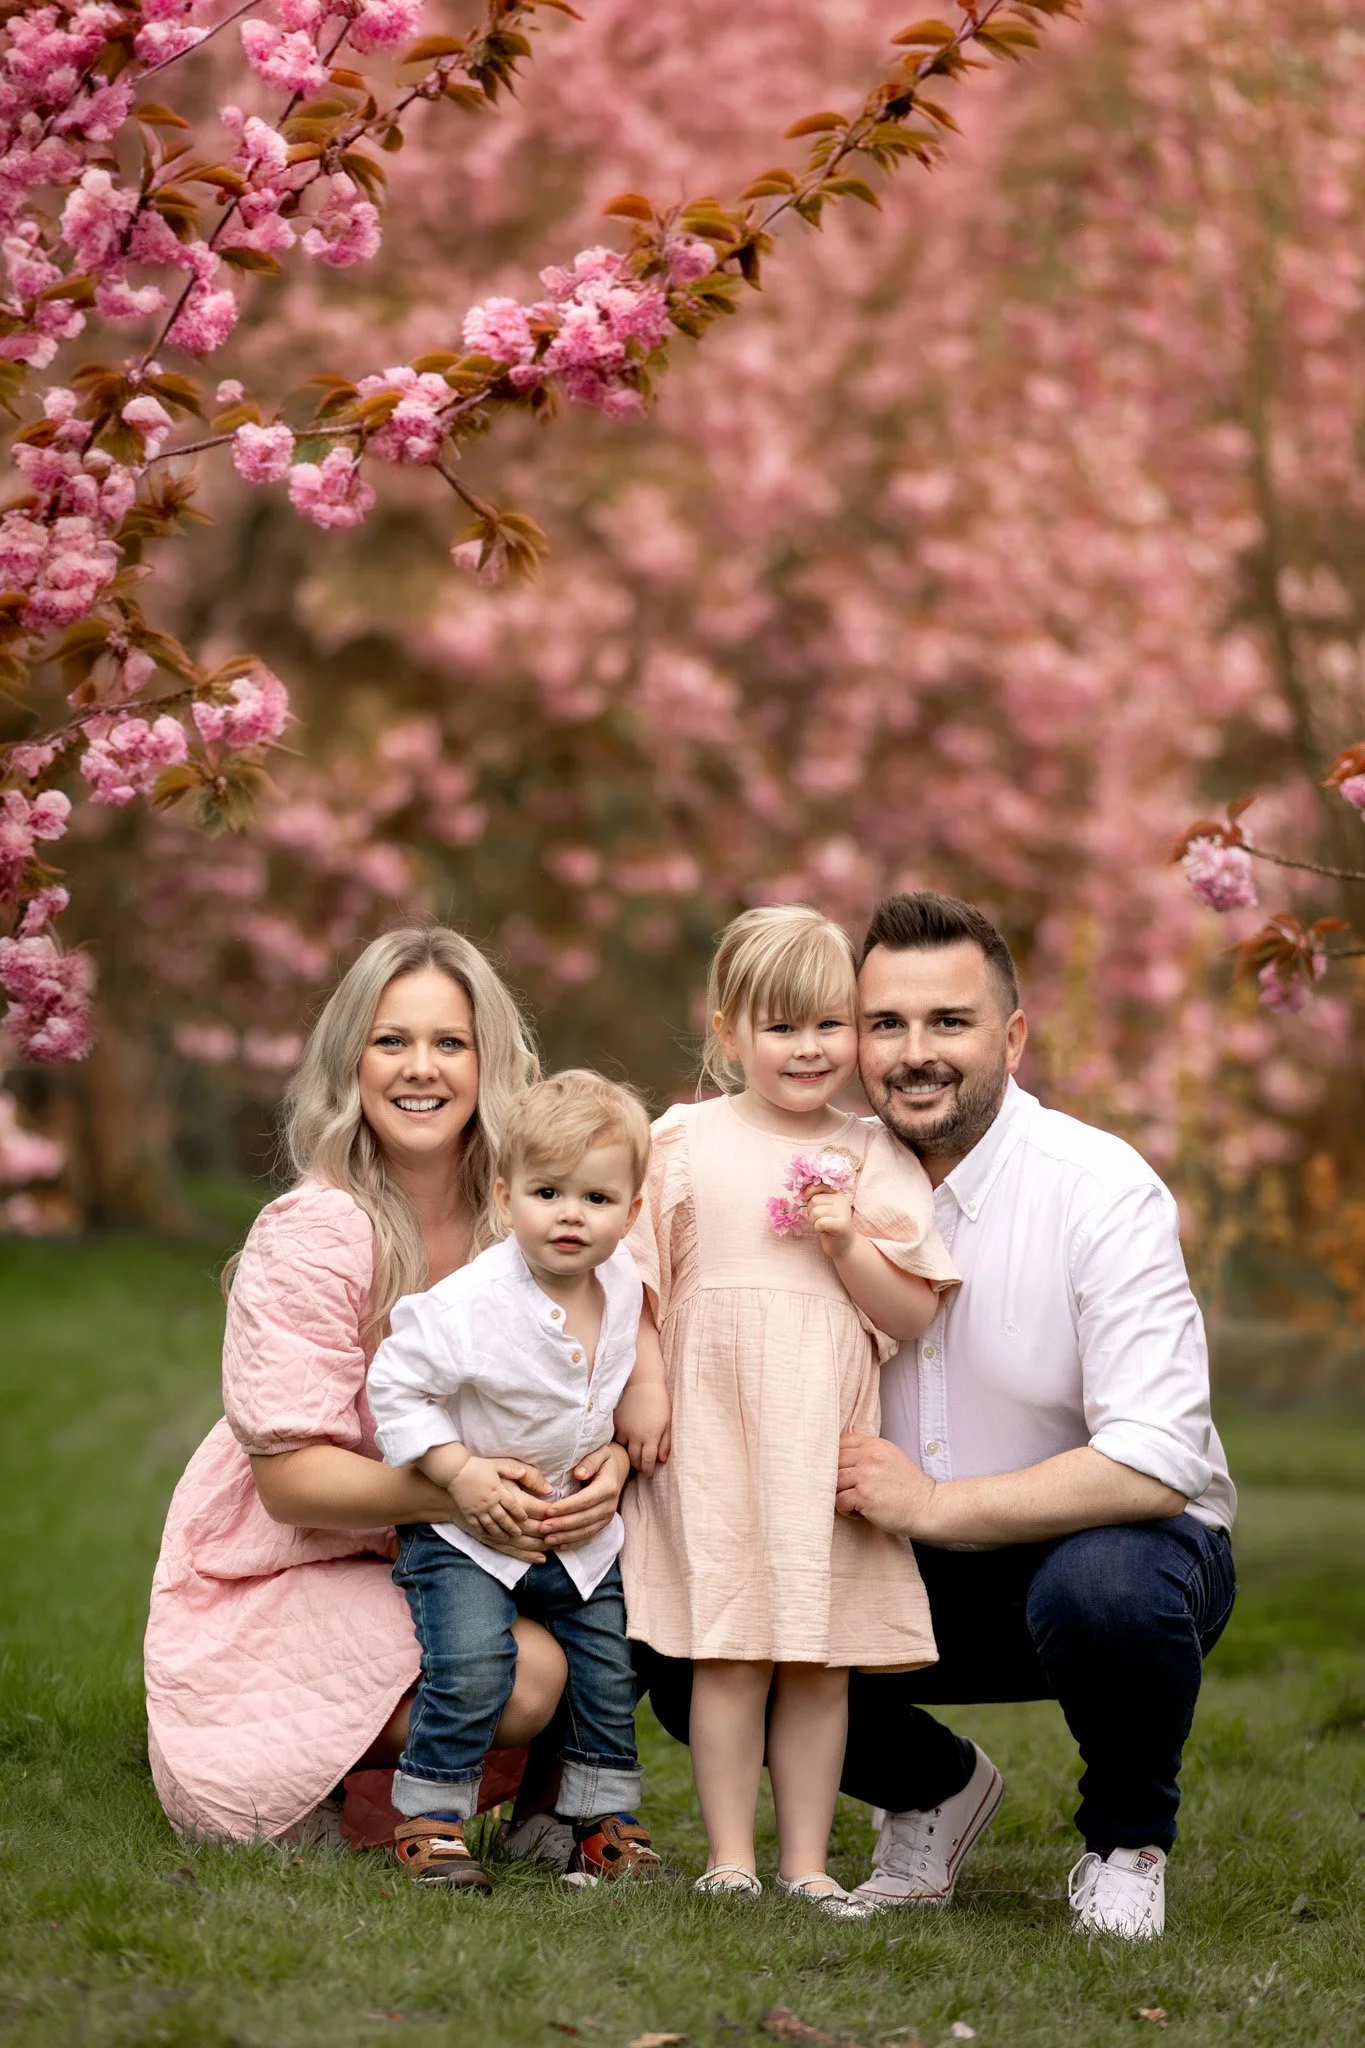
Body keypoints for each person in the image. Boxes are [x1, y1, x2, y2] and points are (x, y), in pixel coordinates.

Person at [144, 928, 630, 1846]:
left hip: (468, 1541)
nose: (423, 1069)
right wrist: (462, 1486)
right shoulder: (317, 1230)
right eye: (391, 1041)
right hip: (309, 1556)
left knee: (629, 1556)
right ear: (352, 1061)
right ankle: (300, 1763)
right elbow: (291, 1485)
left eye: (450, 1042)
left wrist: (604, 1464)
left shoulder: (534, 1214)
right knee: (522, 1674)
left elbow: (602, 1361)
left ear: (490, 1062)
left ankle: (564, 1811)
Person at [833, 891, 1237, 1937]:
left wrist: (933, 1502)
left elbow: (1158, 1460)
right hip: (900, 1578)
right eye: (887, 1023)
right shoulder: (822, 1185)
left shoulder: (1100, 1188)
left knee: (1106, 1582)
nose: (916, 1052)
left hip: (1114, 1565)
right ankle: (930, 1787)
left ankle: (1125, 1842)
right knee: (689, 1644)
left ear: (1012, 1035)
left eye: (949, 1022)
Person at [617, 905, 960, 1915]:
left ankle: (807, 1859)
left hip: (821, 1435)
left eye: (828, 1024)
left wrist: (847, 1239)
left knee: (816, 1658)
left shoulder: (871, 1152)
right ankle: (729, 1853)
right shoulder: (680, 1138)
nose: (808, 1048)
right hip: (713, 1429)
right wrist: (644, 1379)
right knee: (727, 1646)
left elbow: (911, 1307)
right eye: (779, 1026)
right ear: (727, 1031)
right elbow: (636, 1281)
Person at [366, 1070, 663, 1892]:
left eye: (597, 1198)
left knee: (608, 1666)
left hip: (572, 1531)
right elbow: (393, 1385)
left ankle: (603, 1827)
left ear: (631, 1213)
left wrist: (624, 1437)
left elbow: (618, 1363)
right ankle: (432, 1823)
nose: (571, 1215)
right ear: (504, 1197)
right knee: (472, 1667)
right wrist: (455, 1469)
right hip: (469, 1536)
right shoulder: (469, 1305)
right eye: (546, 1191)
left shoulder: (621, 1282)